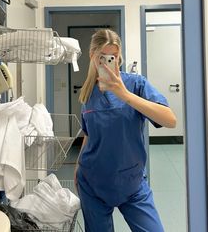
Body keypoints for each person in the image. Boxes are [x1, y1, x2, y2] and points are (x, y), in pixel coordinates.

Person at [74, 29, 177, 232]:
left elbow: (170, 120)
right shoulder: (87, 93)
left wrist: (124, 95)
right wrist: (78, 167)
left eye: (112, 56)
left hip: (132, 182)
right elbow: (89, 134)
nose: (106, 62)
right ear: (92, 55)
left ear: (119, 56)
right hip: (93, 183)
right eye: (101, 57)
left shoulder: (136, 84)